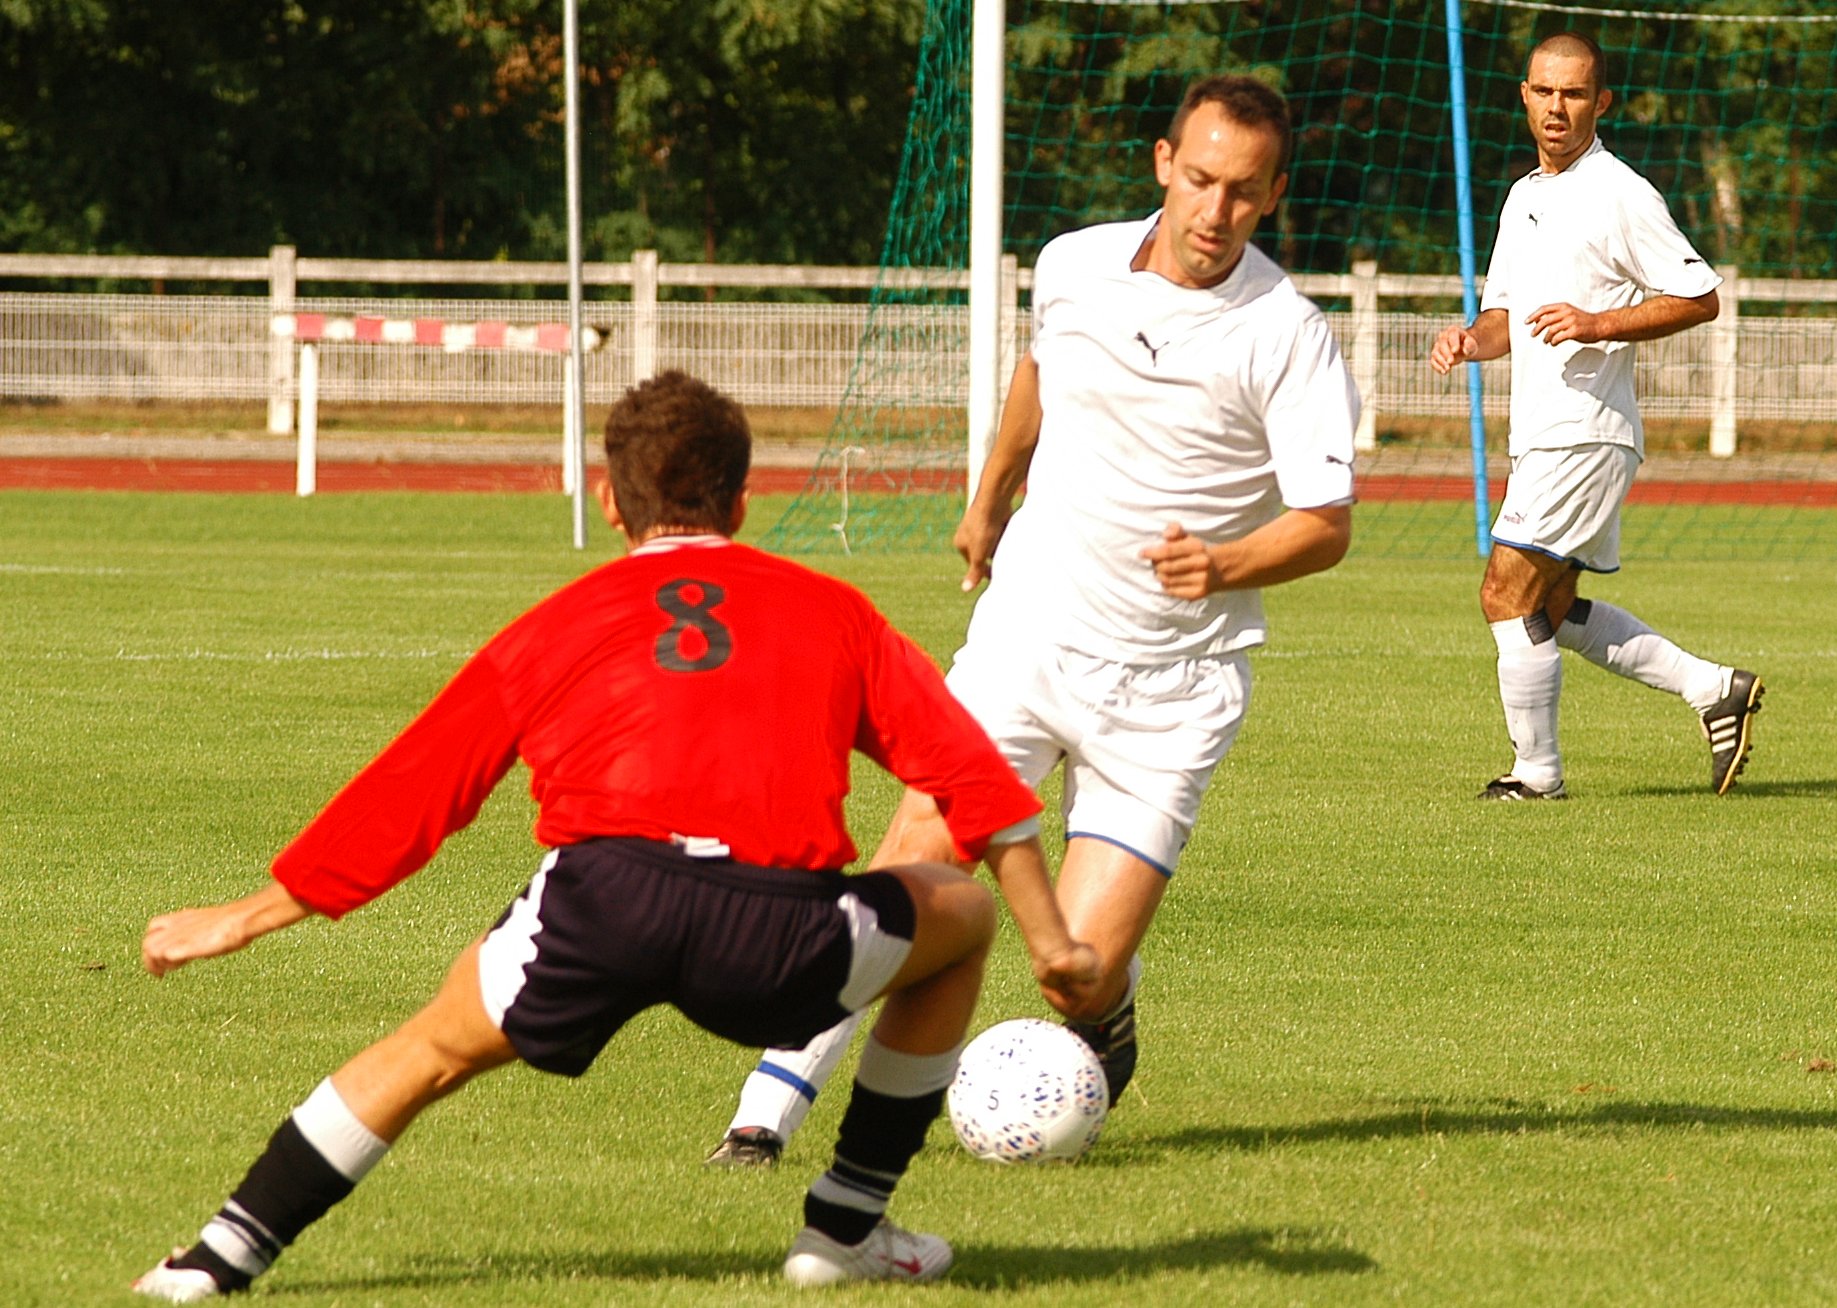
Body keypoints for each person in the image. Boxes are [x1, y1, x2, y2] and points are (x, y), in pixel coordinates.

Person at [131, 371, 1098, 1301]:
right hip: (775, 929)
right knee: (962, 916)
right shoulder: (832, 612)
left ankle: (213, 1262)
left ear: (609, 499)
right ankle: (845, 1230)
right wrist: (1051, 942)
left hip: (604, 907)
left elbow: (415, 794)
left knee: (426, 1051)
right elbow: (972, 780)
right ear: (743, 503)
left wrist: (247, 917)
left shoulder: (557, 625)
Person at [707, 73, 1360, 1168]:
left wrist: (1226, 560)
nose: (1213, 211)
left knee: (1076, 968)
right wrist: (988, 499)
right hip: (1027, 640)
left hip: (1171, 690)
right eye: (1198, 179)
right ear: (1163, 163)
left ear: (1273, 197)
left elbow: (1327, 522)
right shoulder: (1072, 264)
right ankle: (763, 1117)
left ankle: (1105, 1012)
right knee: (909, 869)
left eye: (1242, 193)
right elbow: (1038, 376)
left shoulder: (1286, 335)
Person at [1429, 30, 1764, 802]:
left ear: (1599, 102)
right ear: (1524, 95)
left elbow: (1700, 296)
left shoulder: (1621, 190)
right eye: (1544, 91)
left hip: (1585, 430)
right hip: (1548, 433)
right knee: (1550, 607)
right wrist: (1466, 341)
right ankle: (1715, 689)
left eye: (1574, 93)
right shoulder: (1524, 198)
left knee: (1503, 594)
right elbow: (1503, 319)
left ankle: (1536, 777)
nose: (1557, 107)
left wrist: (1598, 323)